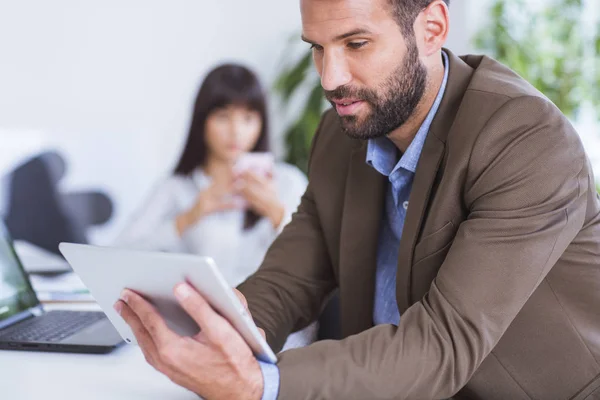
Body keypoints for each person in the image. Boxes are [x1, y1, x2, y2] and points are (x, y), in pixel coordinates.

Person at [113, 0, 600, 399]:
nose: (329, 78)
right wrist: (228, 326)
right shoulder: (342, 132)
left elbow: (443, 343)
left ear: (432, 28)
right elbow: (290, 276)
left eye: (356, 43)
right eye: (318, 48)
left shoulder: (522, 138)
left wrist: (264, 381)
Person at [116, 63, 308, 288]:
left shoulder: (287, 181)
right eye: (223, 117)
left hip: (271, 314)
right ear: (202, 121)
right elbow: (120, 253)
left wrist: (277, 214)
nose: (236, 131)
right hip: (199, 313)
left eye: (248, 118)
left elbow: (315, 260)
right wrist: (188, 217)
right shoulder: (177, 188)